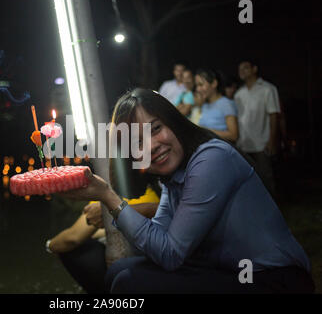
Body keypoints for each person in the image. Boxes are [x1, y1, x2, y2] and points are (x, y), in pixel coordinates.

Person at [61, 88, 314, 294]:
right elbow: (153, 244)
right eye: (138, 142)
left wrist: (109, 198)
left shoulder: (211, 159)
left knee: (131, 282)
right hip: (225, 272)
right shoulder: (172, 178)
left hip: (275, 280)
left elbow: (170, 253)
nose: (152, 146)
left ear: (174, 122)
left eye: (156, 129)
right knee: (121, 271)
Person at [46, 186, 160, 293]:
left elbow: (72, 238)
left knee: (71, 249)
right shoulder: (152, 196)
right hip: (156, 262)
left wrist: (50, 246)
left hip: (139, 269)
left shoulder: (108, 196)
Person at [234, 59, 280, 196]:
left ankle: (273, 208)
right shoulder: (239, 94)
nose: (242, 71)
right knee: (247, 179)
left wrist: (272, 140)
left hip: (261, 142)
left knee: (266, 177)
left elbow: (273, 115)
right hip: (243, 143)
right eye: (240, 69)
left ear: (255, 69)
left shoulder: (267, 89)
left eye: (246, 68)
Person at [195, 68, 239, 143]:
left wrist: (204, 131)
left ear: (214, 83)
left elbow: (233, 135)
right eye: (197, 85)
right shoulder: (205, 105)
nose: (198, 89)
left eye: (201, 84)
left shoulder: (226, 104)